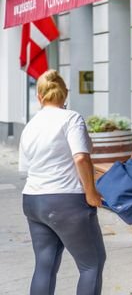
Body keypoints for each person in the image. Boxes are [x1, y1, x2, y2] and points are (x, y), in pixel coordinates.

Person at [19, 70, 105, 295]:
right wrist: (91, 193)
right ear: (65, 94)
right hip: (67, 201)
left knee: (44, 265)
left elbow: (25, 168)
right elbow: (81, 157)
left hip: (33, 201)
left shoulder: (30, 126)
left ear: (39, 96)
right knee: (91, 265)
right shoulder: (71, 118)